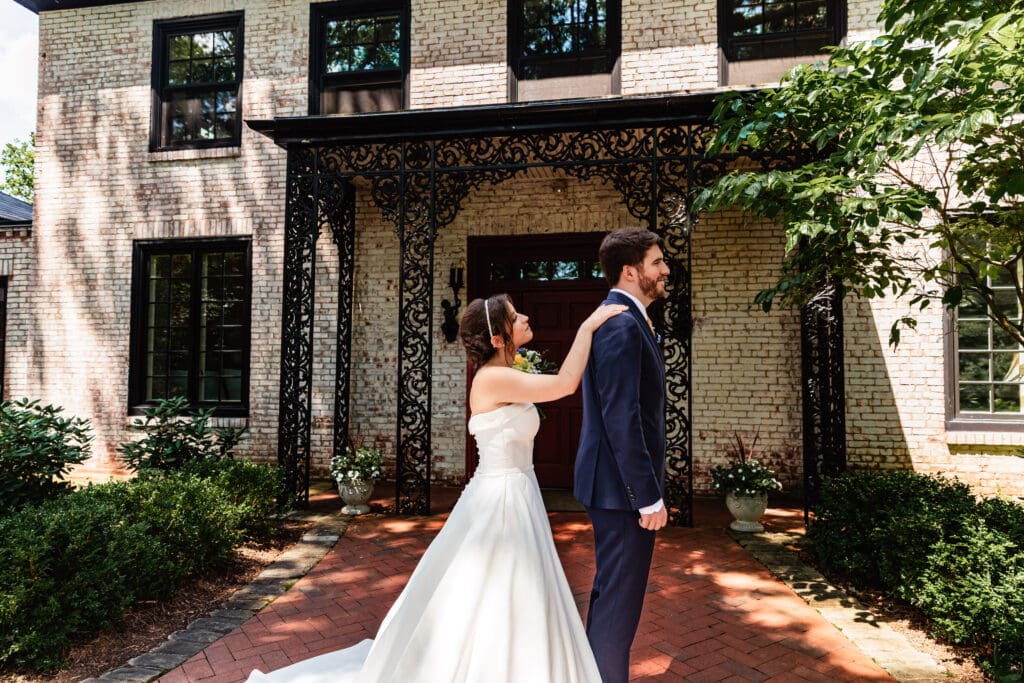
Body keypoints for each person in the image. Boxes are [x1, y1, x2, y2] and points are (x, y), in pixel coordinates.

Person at [247, 293, 626, 683]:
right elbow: (565, 384)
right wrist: (587, 326)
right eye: (515, 317)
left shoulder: (506, 371)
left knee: (513, 588)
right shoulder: (493, 378)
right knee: (501, 585)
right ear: (498, 338)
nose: (526, 317)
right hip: (501, 500)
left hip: (515, 491)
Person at [574, 227, 670, 683]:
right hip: (620, 490)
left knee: (613, 597)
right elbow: (621, 417)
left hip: (615, 487)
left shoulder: (631, 320)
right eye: (657, 262)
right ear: (630, 272)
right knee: (619, 604)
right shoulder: (620, 324)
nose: (665, 270)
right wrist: (646, 497)